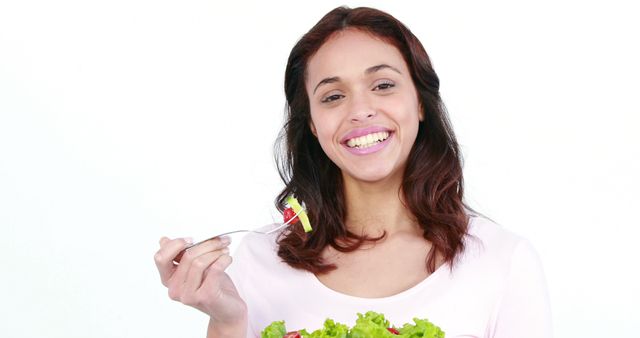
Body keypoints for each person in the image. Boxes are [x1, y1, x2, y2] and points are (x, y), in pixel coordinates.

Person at [154, 6, 552, 338]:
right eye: (333, 96)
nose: (360, 110)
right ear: (312, 124)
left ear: (420, 104)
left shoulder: (502, 261)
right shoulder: (259, 259)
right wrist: (227, 320)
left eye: (382, 85)